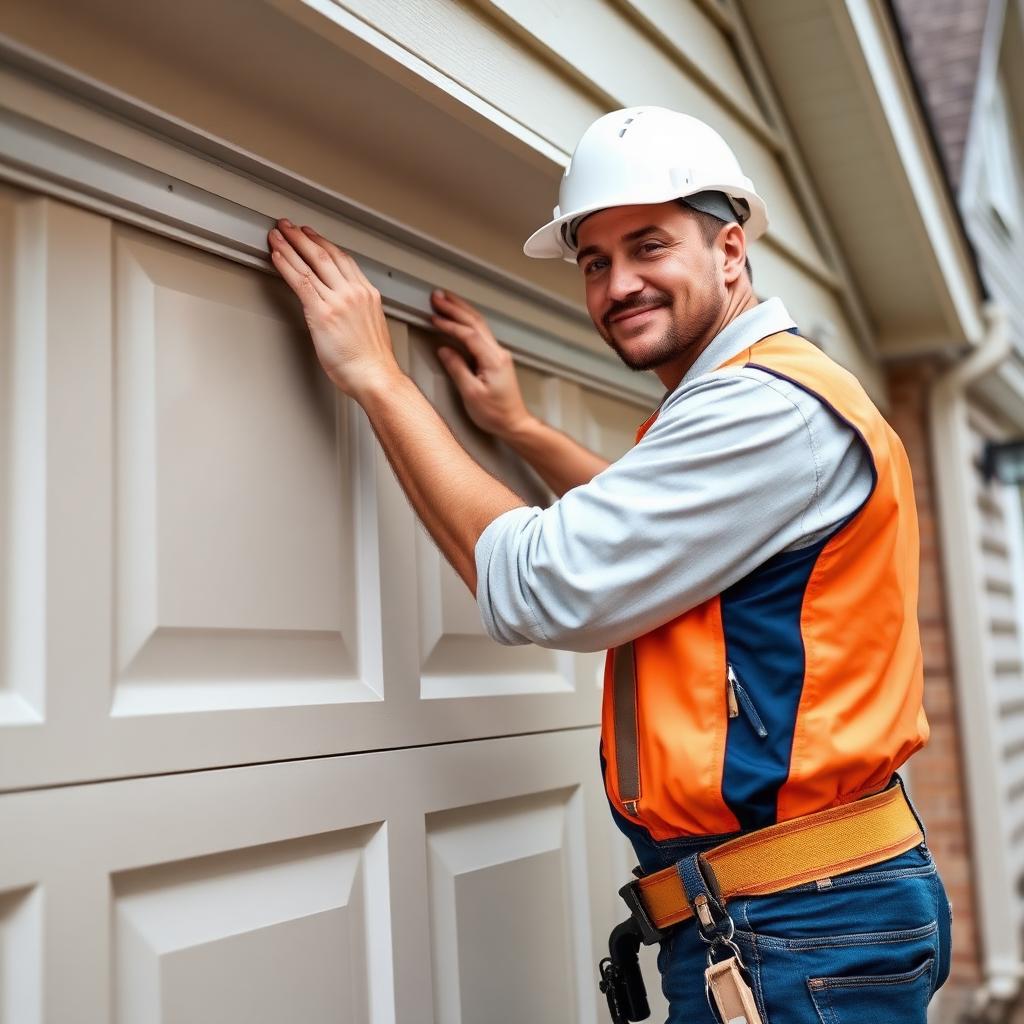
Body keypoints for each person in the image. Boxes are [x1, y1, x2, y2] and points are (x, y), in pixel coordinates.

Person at [268, 106, 951, 1023]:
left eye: (649, 246)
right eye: (596, 262)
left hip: (794, 924)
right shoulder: (763, 394)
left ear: (730, 251)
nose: (619, 282)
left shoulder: (764, 409)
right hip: (799, 914)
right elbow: (670, 544)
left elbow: (541, 581)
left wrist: (377, 379)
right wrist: (517, 429)